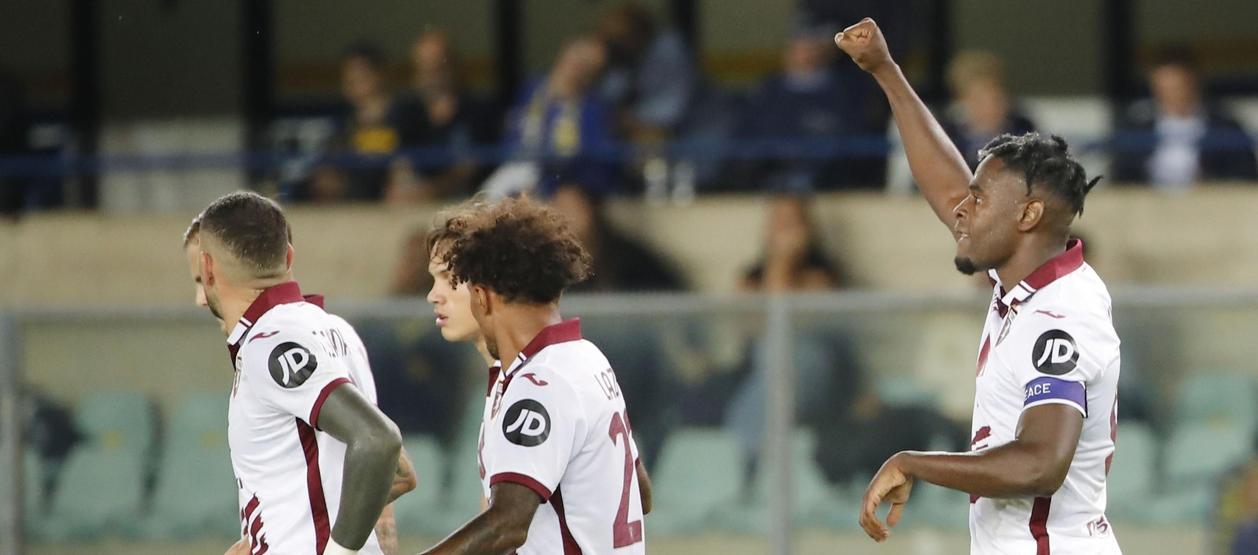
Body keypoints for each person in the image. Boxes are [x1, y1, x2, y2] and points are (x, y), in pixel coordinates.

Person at [836, 19, 1122, 553]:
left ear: (1029, 215)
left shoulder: (1059, 319)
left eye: (980, 200)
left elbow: (1040, 463)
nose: (961, 210)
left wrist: (912, 462)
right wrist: (885, 71)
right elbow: (946, 187)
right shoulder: (1025, 276)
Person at [182, 192, 414, 555]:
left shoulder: (270, 343)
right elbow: (398, 472)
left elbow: (378, 440)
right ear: (289, 257)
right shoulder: (338, 331)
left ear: (208, 267)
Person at [421, 196, 651, 554]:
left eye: (450, 279)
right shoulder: (586, 358)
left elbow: (508, 524)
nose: (433, 295)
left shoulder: (539, 384)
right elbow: (641, 492)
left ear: (481, 296)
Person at [730, 28, 884, 191]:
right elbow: (746, 140)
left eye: (812, 48)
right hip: (770, 175)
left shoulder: (845, 91)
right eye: (799, 47)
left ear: (826, 52)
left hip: (827, 181)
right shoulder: (767, 90)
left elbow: (855, 141)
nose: (806, 55)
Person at [481, 37, 619, 198]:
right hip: (514, 174)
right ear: (565, 53)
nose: (579, 67)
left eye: (590, 66)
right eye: (578, 57)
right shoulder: (530, 90)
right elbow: (510, 138)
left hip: (560, 184)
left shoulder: (594, 109)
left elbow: (593, 162)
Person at [1112, 48, 1258, 189]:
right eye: (1164, 88)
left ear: (1193, 83)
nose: (1171, 95)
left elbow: (1243, 175)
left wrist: (1212, 183)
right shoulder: (1138, 128)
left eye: (1178, 87)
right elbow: (1122, 177)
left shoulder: (1224, 127)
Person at [387, 31, 498, 203]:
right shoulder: (405, 111)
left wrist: (430, 192)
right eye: (424, 68)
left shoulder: (477, 109)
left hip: (465, 203)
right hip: (413, 201)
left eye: (437, 67)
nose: (430, 76)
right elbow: (399, 163)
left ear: (453, 65)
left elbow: (470, 167)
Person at [306, 44, 410, 203]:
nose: (352, 84)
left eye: (360, 77)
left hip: (395, 205)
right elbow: (325, 168)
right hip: (354, 207)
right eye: (348, 78)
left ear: (380, 75)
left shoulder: (406, 117)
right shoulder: (347, 125)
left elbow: (411, 166)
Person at [596, 2, 696, 143]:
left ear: (640, 33)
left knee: (651, 139)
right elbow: (608, 96)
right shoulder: (619, 55)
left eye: (622, 38)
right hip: (624, 125)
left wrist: (634, 119)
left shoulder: (669, 50)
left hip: (676, 126)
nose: (617, 44)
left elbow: (675, 107)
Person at [940, 51, 1037, 171]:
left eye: (997, 99)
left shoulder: (1025, 133)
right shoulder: (945, 138)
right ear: (962, 101)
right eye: (979, 100)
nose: (990, 108)